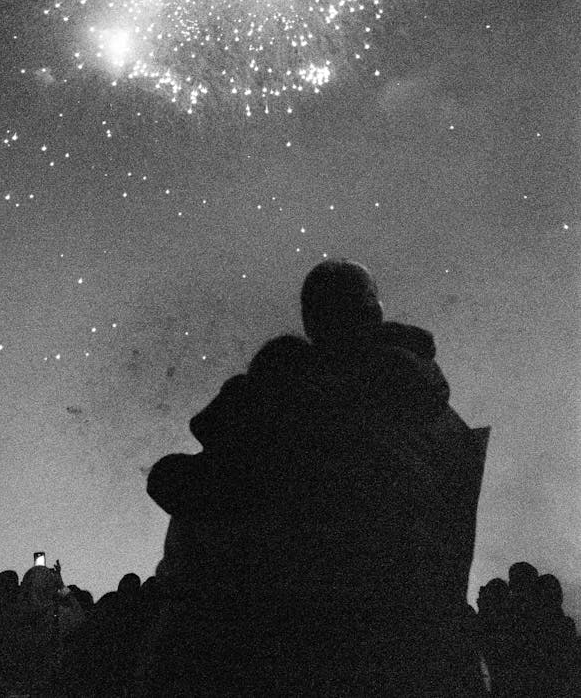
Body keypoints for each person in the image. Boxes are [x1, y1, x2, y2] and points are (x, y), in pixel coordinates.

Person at [142, 259, 489, 696]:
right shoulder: (440, 418)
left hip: (307, 645)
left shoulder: (300, 397)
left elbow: (218, 489)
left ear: (312, 318)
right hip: (417, 646)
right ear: (374, 311)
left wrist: (172, 473)